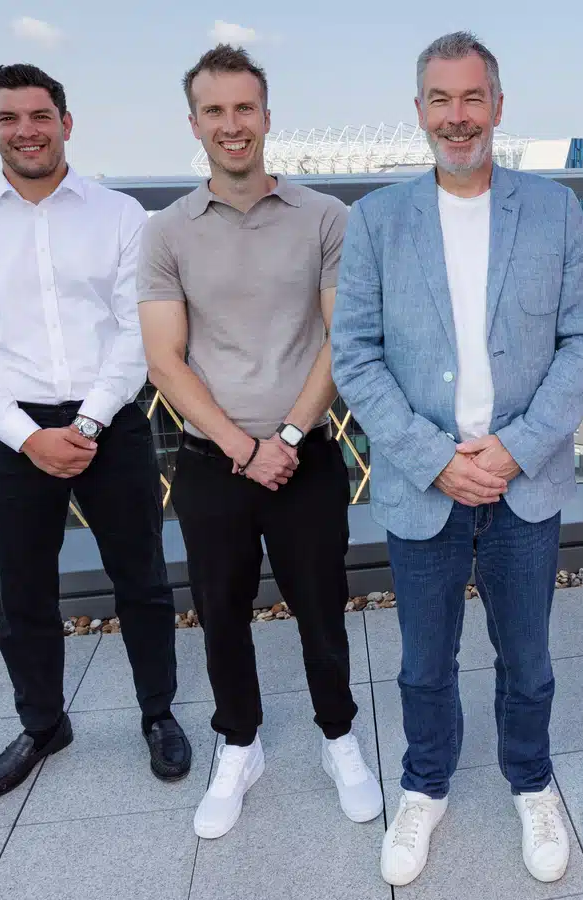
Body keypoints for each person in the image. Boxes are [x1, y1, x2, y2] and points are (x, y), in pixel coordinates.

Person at [331, 31, 583, 888]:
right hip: (426, 486)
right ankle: (425, 785)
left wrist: (517, 449)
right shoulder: (377, 219)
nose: (458, 117)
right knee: (423, 664)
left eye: (472, 98)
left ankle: (531, 781)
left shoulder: (555, 210)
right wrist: (434, 458)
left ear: (497, 105)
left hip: (525, 482)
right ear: (419, 111)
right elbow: (356, 356)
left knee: (528, 660)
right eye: (441, 100)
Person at [0, 64, 189, 800]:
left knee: (142, 581)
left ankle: (158, 714)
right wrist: (27, 436)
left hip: (112, 417)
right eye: (9, 118)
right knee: (23, 593)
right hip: (11, 431)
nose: (27, 131)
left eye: (40, 116)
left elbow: (140, 330)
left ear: (66, 123)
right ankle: (42, 725)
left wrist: (89, 420)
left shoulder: (122, 217)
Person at [137, 45, 380, 839]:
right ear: (194, 124)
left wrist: (286, 436)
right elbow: (165, 360)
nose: (231, 124)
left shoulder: (326, 218)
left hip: (305, 456)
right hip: (212, 462)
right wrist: (245, 450)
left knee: (322, 608)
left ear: (267, 117)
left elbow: (344, 341)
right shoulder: (166, 231)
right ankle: (239, 745)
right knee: (221, 612)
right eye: (215, 110)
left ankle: (338, 737)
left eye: (244, 108)